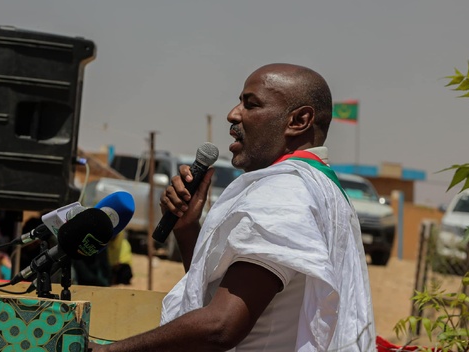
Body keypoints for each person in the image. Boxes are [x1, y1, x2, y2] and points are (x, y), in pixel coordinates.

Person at [90, 63, 375, 351]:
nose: (233, 114)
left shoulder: (286, 193)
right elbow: (222, 298)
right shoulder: (320, 188)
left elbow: (222, 326)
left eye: (251, 105)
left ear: (298, 120)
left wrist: (108, 350)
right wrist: (188, 229)